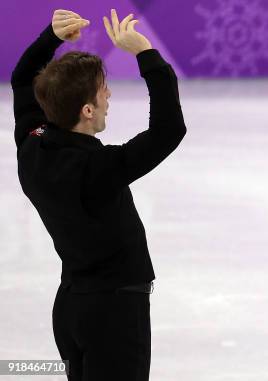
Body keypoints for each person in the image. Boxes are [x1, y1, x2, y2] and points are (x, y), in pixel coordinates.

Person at [11, 8, 186, 380]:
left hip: (72, 308)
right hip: (115, 314)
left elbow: (23, 78)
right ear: (88, 110)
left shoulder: (32, 148)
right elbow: (169, 130)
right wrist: (145, 54)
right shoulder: (97, 169)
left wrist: (50, 39)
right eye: (103, 90)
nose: (109, 94)